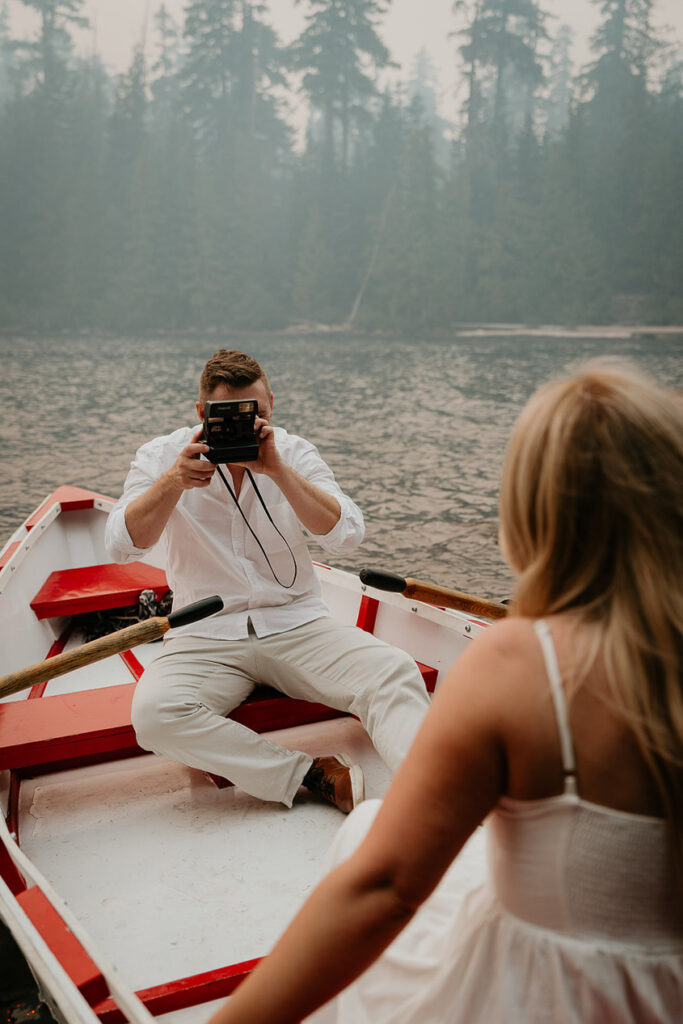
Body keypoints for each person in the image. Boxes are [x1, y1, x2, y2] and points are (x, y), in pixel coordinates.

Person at [207, 359, 683, 1024]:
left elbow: (384, 891)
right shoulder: (165, 461)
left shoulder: (518, 661)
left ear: (533, 507)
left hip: (565, 999)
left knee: (368, 836)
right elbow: (129, 535)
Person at [105, 349, 430, 814]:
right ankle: (306, 774)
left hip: (298, 624)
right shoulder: (162, 457)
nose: (244, 424)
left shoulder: (293, 453)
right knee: (154, 717)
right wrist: (174, 482)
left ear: (270, 405)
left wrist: (278, 470)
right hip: (205, 635)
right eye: (227, 415)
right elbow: (121, 545)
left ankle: (429, 799)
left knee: (393, 670)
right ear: (202, 413)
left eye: (254, 413)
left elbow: (346, 534)